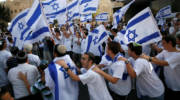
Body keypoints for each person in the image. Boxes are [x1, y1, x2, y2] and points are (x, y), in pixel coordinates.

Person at [141, 35, 180, 100]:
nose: (162, 44)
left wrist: (148, 58)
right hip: (167, 84)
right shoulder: (165, 51)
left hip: (177, 87)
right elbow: (155, 59)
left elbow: (164, 63)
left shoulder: (178, 55)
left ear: (170, 43)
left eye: (164, 43)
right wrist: (143, 57)